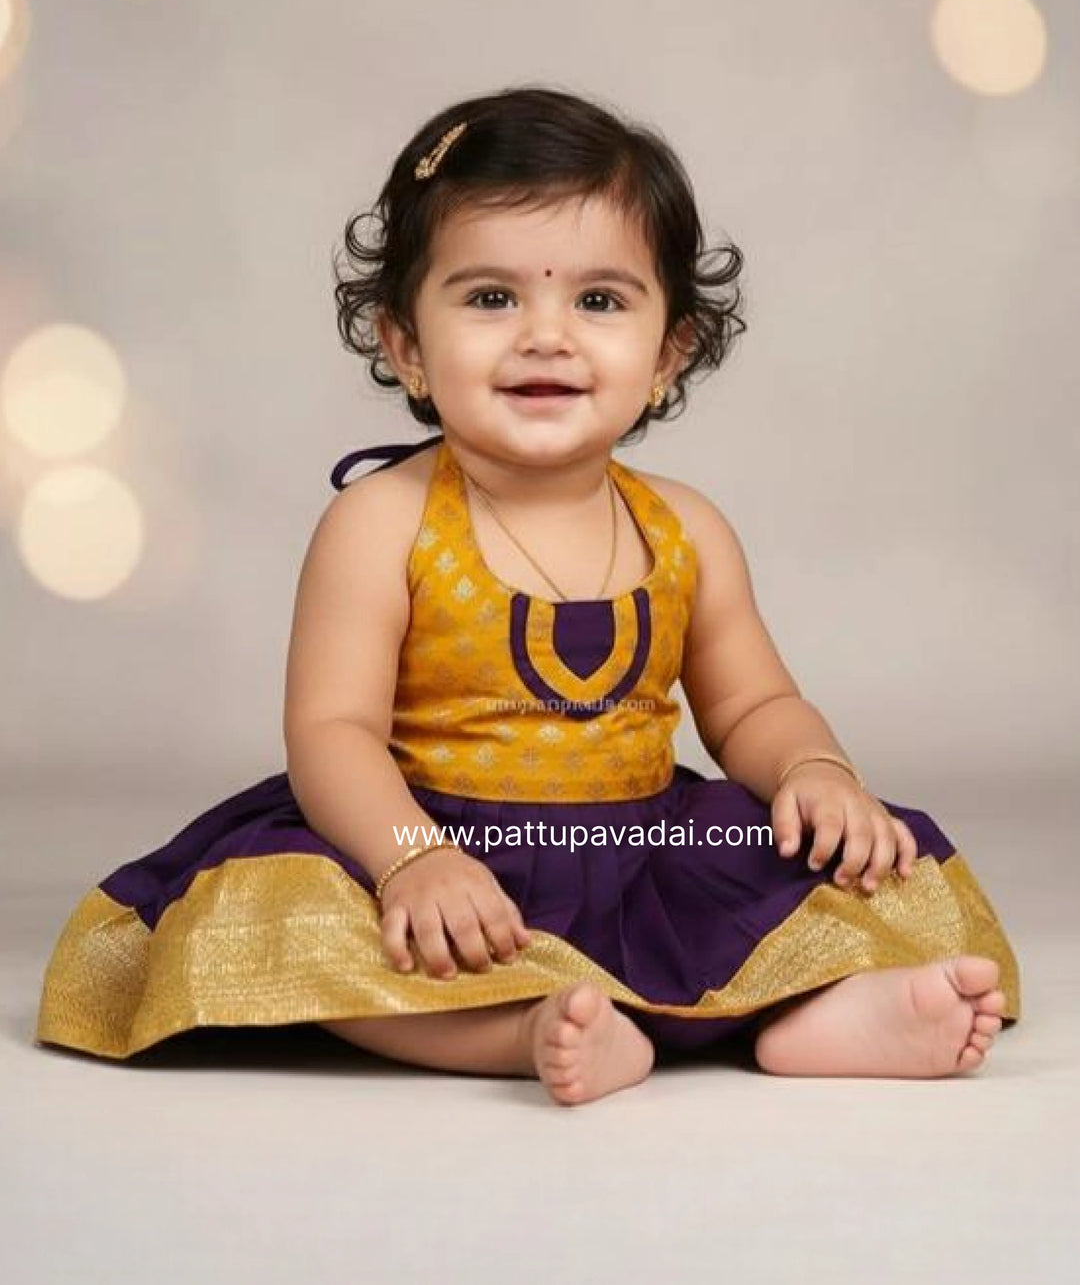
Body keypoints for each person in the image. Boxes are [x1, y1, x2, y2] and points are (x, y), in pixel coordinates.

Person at [36, 86, 1020, 1104]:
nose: (546, 335)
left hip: (638, 851)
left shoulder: (685, 529)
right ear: (405, 344)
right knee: (291, 928)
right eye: (490, 299)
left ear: (668, 352)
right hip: (424, 840)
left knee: (866, 863)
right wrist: (411, 861)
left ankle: (810, 1018)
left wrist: (815, 770)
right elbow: (332, 731)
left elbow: (753, 704)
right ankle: (520, 1030)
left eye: (599, 302)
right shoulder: (382, 522)